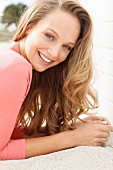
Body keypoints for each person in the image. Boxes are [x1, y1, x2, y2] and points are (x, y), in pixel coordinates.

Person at [0, 0, 112, 160]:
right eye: (49, 36)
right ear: (29, 26)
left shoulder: (8, 53)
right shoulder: (17, 66)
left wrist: (67, 129)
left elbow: (9, 133)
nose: (54, 53)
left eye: (66, 47)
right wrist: (74, 138)